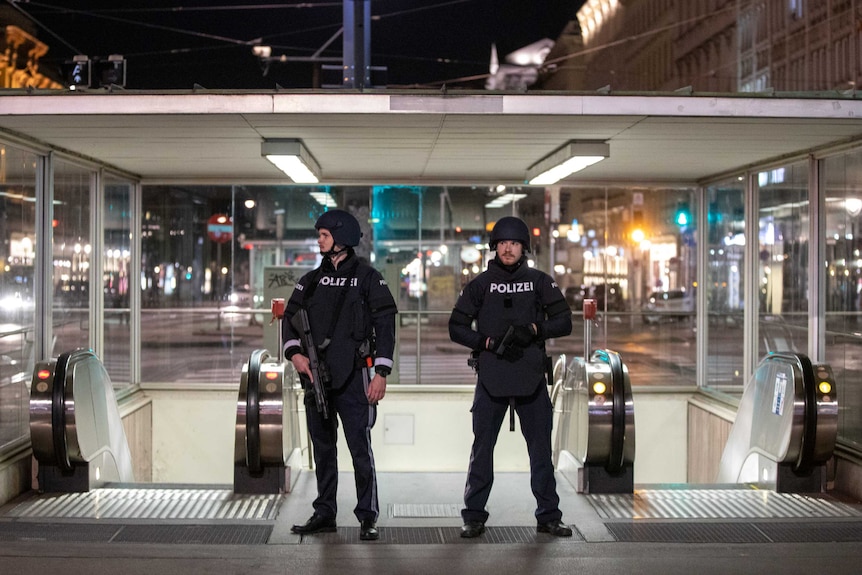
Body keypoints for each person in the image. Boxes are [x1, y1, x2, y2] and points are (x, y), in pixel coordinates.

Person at [448, 216, 573, 539]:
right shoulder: (480, 284)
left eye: (514, 243)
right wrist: (486, 343)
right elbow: (456, 326)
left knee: (541, 454)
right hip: (491, 377)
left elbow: (564, 321)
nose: (507, 248)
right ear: (494, 247)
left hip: (531, 377)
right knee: (482, 452)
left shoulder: (539, 281)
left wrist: (534, 329)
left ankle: (549, 516)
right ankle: (473, 516)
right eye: (502, 243)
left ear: (523, 248)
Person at [282, 209, 397, 541]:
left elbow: (386, 327)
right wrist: (296, 355)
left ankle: (367, 516)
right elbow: (289, 321)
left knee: (360, 449)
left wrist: (382, 372)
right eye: (319, 235)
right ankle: (325, 512)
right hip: (316, 379)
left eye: (324, 235)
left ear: (342, 238)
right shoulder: (310, 280)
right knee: (323, 448)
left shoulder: (369, 278)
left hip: (355, 378)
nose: (318, 240)